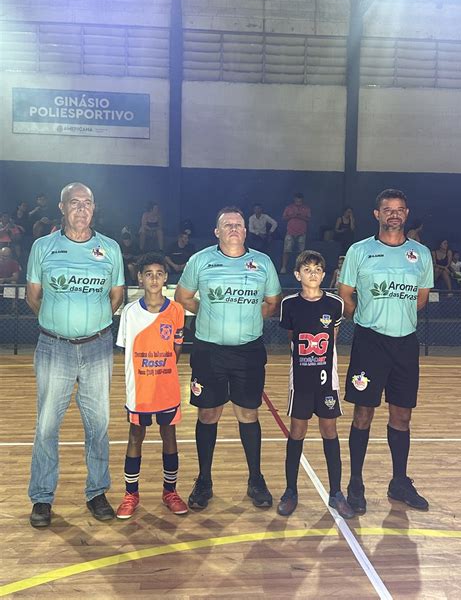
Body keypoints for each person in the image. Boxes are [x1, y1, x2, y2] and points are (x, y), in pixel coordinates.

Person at [26, 182, 124, 528]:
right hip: (54, 348)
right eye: (74, 203)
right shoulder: (43, 247)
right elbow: (33, 295)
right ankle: (41, 496)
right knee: (46, 425)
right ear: (62, 207)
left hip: (97, 348)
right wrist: (59, 325)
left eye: (87, 203)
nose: (81, 209)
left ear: (94, 208)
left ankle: (97, 492)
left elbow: (116, 296)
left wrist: (90, 325)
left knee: (98, 425)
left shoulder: (110, 249)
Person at [175, 206, 281, 510]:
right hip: (209, 351)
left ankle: (256, 479)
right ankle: (204, 480)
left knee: (248, 414)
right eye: (227, 225)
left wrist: (249, 315)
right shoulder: (200, 260)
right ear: (217, 232)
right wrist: (207, 310)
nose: (234, 228)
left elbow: (272, 301)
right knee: (208, 415)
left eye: (239, 224)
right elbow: (182, 298)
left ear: (246, 231)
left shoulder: (262, 263)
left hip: (248, 352)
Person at [338, 188, 433, 514]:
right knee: (363, 412)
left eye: (399, 209)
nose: (394, 214)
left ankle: (399, 482)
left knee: (402, 415)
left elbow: (421, 299)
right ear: (377, 214)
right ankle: (356, 482)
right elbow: (346, 293)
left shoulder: (421, 254)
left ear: (406, 214)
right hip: (370, 342)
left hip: (405, 343)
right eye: (387, 209)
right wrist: (367, 317)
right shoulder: (359, 251)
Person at [277, 250, 354, 519]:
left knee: (329, 429)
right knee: (297, 430)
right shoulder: (289, 304)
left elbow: (333, 336)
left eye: (317, 269)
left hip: (326, 377)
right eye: (307, 269)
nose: (313, 273)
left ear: (324, 274)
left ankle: (336, 493)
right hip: (300, 377)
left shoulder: (335, 304)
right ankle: (290, 491)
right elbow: (291, 336)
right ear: (298, 274)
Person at [115, 252, 188, 519]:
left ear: (166, 278)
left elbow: (177, 348)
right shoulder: (130, 313)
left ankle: (170, 491)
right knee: (136, 437)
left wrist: (163, 368)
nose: (154, 278)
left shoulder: (177, 311)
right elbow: (126, 351)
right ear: (140, 279)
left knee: (169, 436)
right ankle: (130, 494)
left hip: (166, 387)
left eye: (159, 273)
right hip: (140, 390)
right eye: (149, 274)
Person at [280, 193, 311, 274]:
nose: (298, 203)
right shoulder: (289, 207)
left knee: (301, 251)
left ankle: (299, 268)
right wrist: (292, 215)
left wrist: (300, 216)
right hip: (290, 231)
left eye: (300, 201)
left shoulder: (306, 208)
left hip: (302, 232)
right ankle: (283, 267)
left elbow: (309, 219)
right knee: (287, 250)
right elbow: (283, 218)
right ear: (294, 200)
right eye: (297, 201)